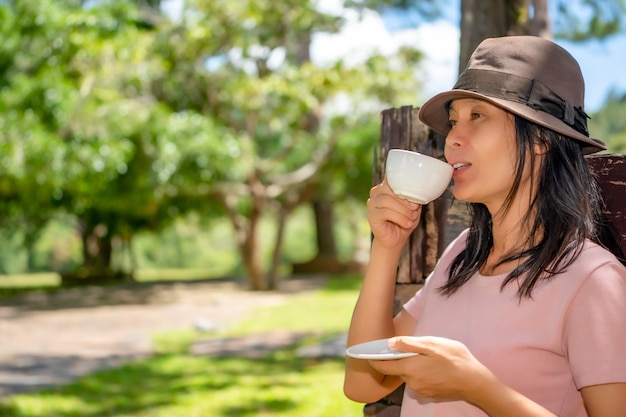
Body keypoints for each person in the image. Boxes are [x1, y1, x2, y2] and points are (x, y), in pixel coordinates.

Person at [343, 36, 626, 417]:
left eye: (478, 116)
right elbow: (363, 383)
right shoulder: (463, 253)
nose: (453, 138)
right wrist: (387, 247)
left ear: (541, 137)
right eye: (455, 120)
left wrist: (479, 388)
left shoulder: (593, 280)